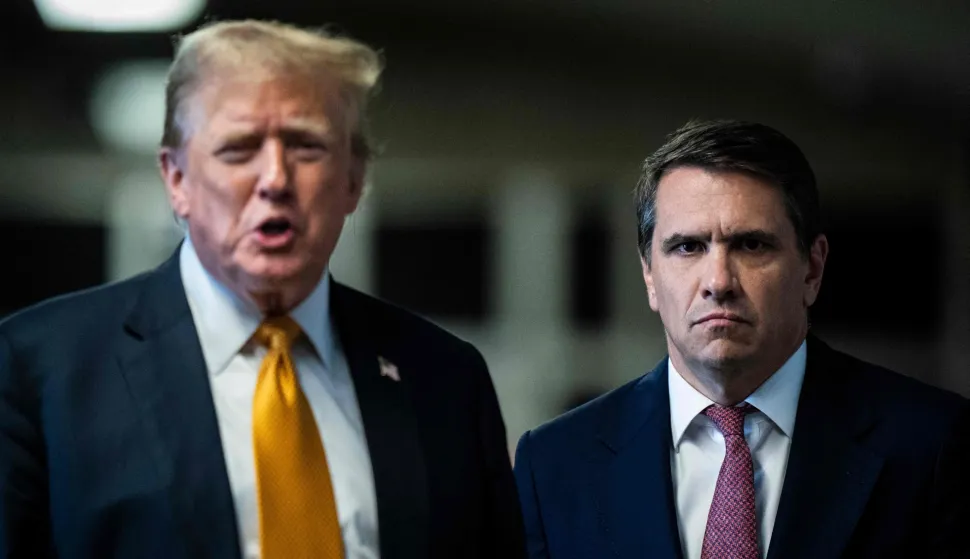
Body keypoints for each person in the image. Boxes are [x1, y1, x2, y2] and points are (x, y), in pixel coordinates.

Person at [0, 20, 525, 559]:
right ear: (176, 179)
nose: (275, 178)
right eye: (239, 148)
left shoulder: (446, 380)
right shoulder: (40, 371)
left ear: (353, 179)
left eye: (305, 145)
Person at [513, 119, 970, 559]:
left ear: (812, 268)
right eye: (688, 247)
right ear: (649, 275)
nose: (718, 281)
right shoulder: (554, 465)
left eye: (751, 245)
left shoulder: (932, 446)